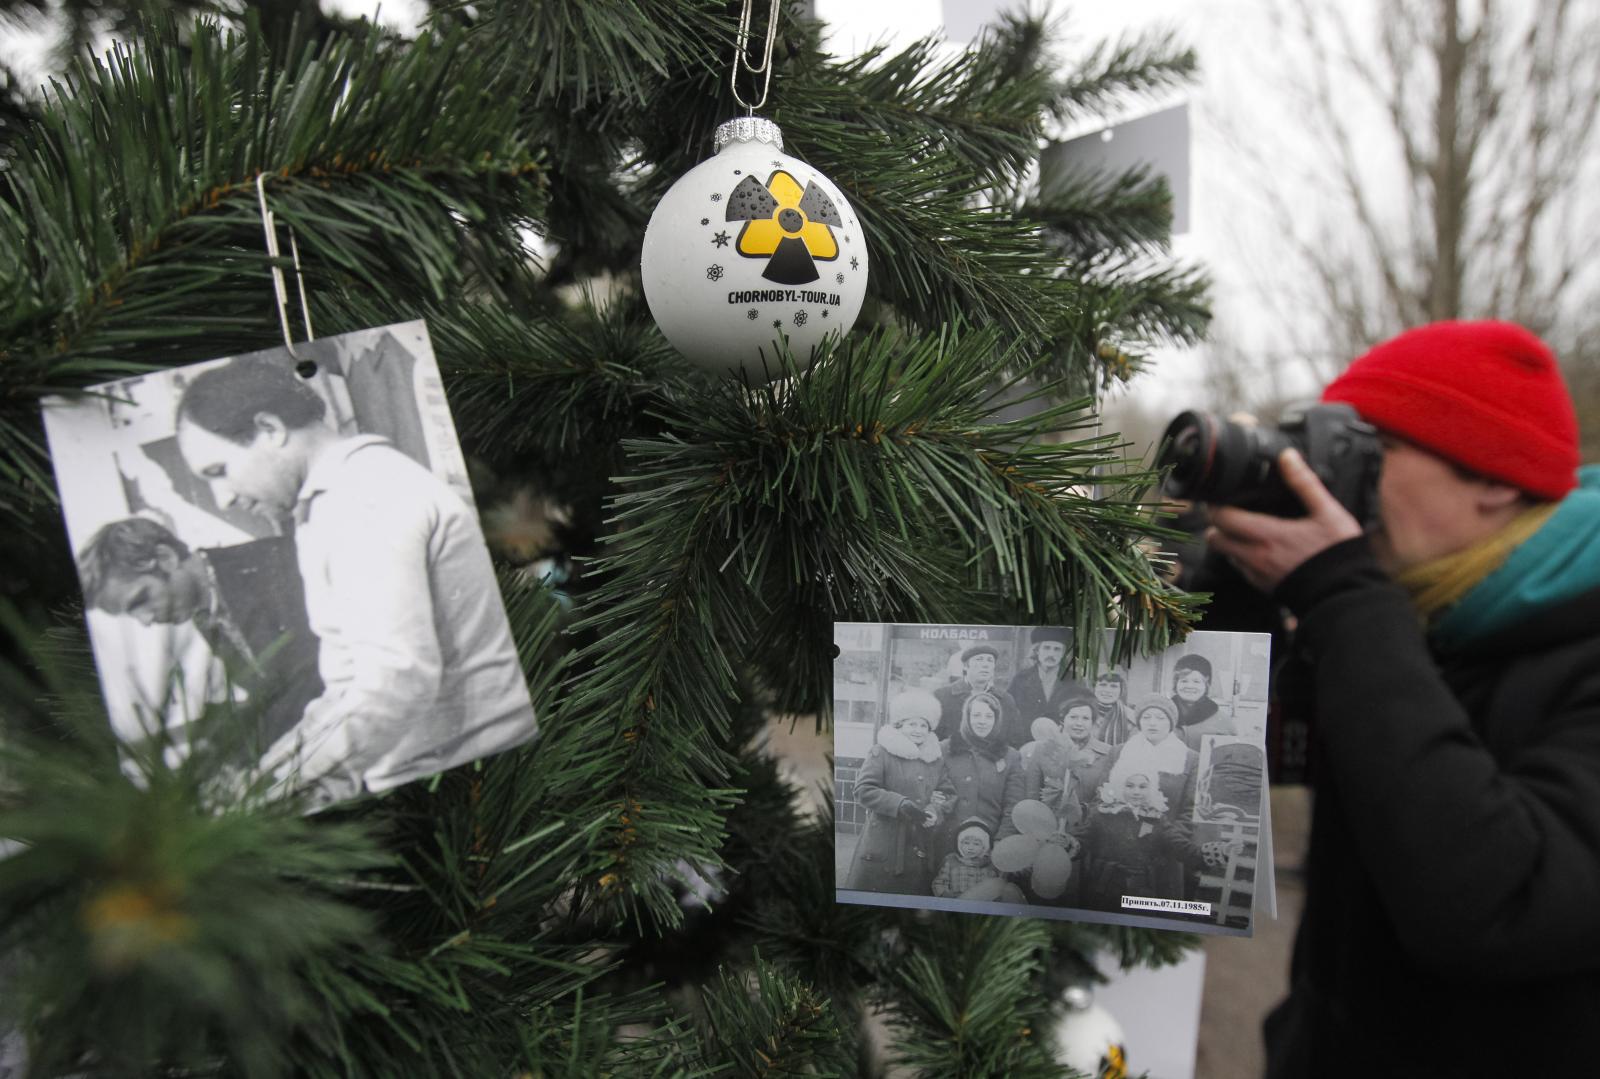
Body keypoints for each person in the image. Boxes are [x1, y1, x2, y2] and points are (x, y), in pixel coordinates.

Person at [1203, 321, 1600, 1075]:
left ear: (1495, 478)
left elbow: (1500, 902)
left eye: (1369, 454)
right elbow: (1224, 761)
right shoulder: (1414, 613)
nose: (1331, 484)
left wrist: (1345, 596)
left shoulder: (1390, 618)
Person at [173, 358, 536, 804]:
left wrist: (266, 792)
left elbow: (393, 682)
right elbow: (350, 687)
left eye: (218, 471)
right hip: (438, 768)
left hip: (472, 784)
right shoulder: (330, 502)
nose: (223, 497)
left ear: (269, 428)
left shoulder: (362, 497)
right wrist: (267, 777)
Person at [75, 516, 322, 759]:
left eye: (142, 599)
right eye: (132, 613)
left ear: (166, 558)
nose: (145, 620)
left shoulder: (270, 563)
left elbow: (309, 679)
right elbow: (271, 694)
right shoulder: (204, 615)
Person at [845, 689, 950, 895]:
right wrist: (899, 803)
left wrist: (935, 809)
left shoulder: (934, 759)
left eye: (923, 725)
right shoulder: (882, 752)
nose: (918, 730)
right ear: (899, 725)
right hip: (884, 840)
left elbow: (947, 792)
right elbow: (863, 790)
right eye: (912, 724)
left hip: (919, 840)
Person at [938, 691, 1024, 852]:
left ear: (997, 720)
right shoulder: (945, 749)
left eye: (989, 716)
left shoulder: (1010, 756)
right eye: (976, 715)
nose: (982, 722)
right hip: (947, 844)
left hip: (989, 844)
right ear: (967, 717)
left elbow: (1013, 806)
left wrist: (1001, 842)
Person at [1105, 695, 1197, 821]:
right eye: (1146, 717)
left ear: (1171, 723)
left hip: (1168, 835)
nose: (1152, 723)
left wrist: (1173, 836)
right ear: (1139, 722)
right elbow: (1102, 797)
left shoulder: (1190, 758)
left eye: (1160, 718)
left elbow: (1191, 810)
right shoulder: (1118, 752)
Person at [933, 643, 1020, 747]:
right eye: (979, 659)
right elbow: (934, 737)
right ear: (965, 666)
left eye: (990, 660)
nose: (985, 665)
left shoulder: (1005, 700)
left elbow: (1014, 739)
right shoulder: (942, 696)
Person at [1004, 627, 1081, 741]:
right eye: (1046, 648)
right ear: (1037, 651)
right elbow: (1009, 712)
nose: (1051, 653)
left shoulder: (1074, 680)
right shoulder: (1021, 679)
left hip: (1063, 742)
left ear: (1063, 653)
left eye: (1057, 649)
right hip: (1026, 742)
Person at [1168, 653, 1233, 749]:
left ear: (1206, 685)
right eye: (1184, 681)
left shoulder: (1223, 722)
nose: (1189, 686)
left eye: (1196, 681)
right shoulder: (1160, 714)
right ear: (1176, 683)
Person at [931, 818, 1001, 899]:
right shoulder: (951, 861)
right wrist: (946, 895)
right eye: (966, 843)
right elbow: (940, 882)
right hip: (956, 903)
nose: (970, 848)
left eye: (976, 844)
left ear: (984, 847)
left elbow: (995, 887)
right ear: (960, 843)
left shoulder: (989, 865)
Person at [1088, 666, 1135, 746]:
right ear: (1094, 687)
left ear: (1121, 690)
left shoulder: (1131, 718)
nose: (1107, 690)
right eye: (1103, 685)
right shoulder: (1082, 711)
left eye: (1114, 686)